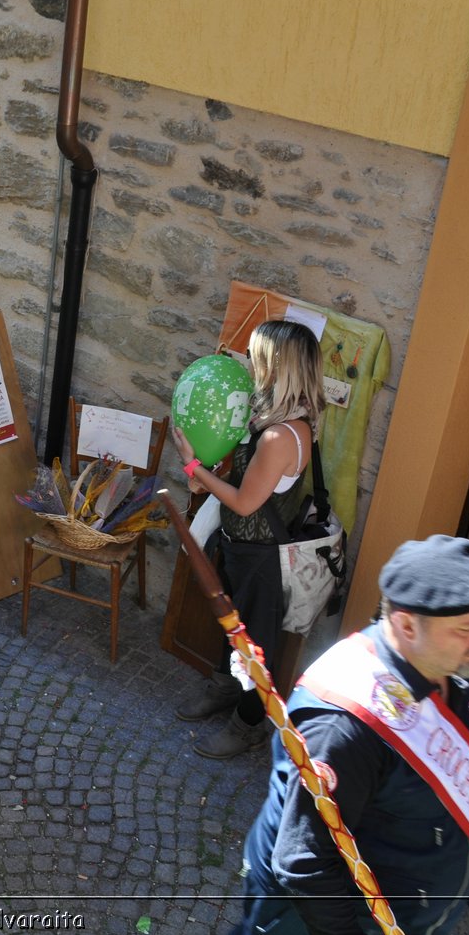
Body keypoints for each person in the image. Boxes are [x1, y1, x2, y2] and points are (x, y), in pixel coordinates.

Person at [239, 535, 469, 935]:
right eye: (468, 628)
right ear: (408, 624)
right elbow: (304, 862)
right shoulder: (345, 725)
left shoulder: (456, 667)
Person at [173, 319, 326, 758]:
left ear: (277, 364)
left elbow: (243, 502)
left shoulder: (280, 435)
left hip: (263, 558)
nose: (249, 364)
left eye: (256, 356)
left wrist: (191, 468)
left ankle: (249, 724)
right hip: (242, 546)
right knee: (233, 627)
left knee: (256, 647)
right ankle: (224, 688)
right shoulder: (269, 415)